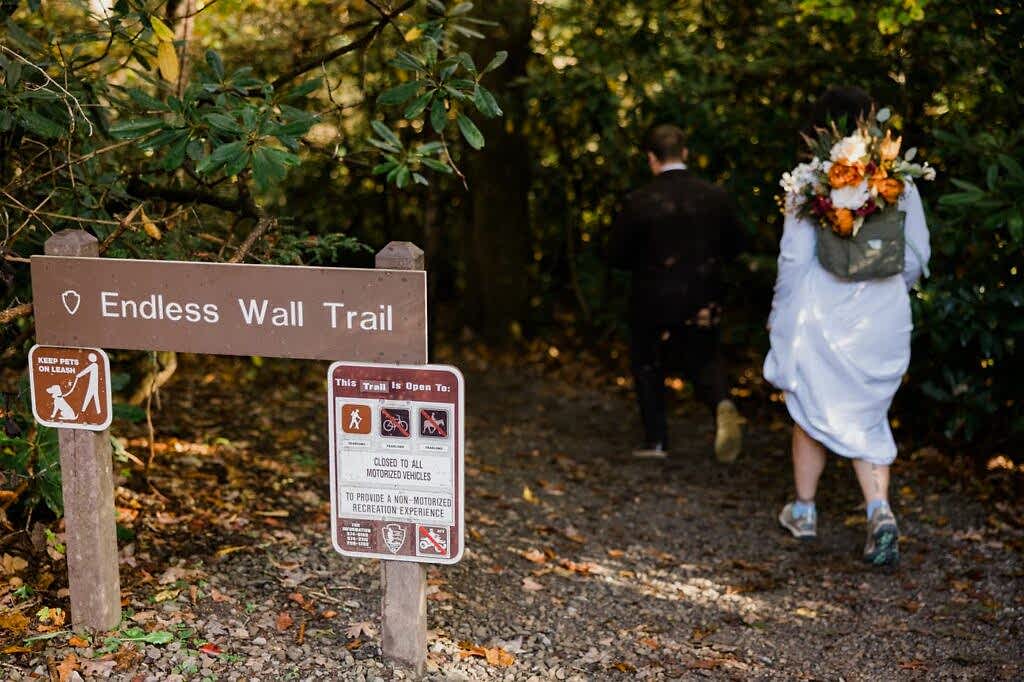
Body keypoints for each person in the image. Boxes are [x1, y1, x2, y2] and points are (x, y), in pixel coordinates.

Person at [764, 87, 931, 566]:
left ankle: (804, 510)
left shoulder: (806, 182)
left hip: (821, 311)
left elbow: (794, 258)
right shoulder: (900, 181)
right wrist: (887, 286)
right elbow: (917, 252)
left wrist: (779, 312)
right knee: (868, 413)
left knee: (809, 405)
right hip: (882, 314)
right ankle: (879, 511)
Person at [610, 124, 746, 462]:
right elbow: (737, 245)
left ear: (651, 158)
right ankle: (721, 403)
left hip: (652, 298)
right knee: (705, 357)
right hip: (704, 296)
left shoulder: (639, 201)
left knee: (647, 363)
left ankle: (657, 441)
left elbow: (616, 254)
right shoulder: (715, 197)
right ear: (685, 153)